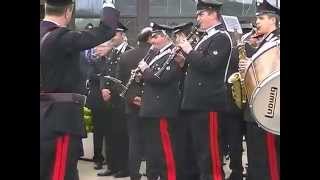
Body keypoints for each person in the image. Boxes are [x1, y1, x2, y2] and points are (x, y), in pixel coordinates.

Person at [40, 0, 120, 179]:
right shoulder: (59, 36)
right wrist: (108, 4)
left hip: (44, 116)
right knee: (60, 172)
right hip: (59, 118)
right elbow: (105, 30)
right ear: (68, 12)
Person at [176, 0, 234, 179]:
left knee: (209, 150)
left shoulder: (221, 37)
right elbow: (197, 68)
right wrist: (183, 60)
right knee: (196, 149)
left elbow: (210, 65)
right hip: (195, 102)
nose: (198, 18)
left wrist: (188, 50)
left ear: (213, 14)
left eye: (201, 14)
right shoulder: (205, 37)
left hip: (209, 102)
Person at [137, 22, 184, 180]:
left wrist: (145, 70)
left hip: (162, 107)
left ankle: (168, 176)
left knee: (165, 148)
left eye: (155, 37)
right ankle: (153, 175)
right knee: (153, 148)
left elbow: (161, 79)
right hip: (152, 108)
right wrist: (140, 75)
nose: (151, 41)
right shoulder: (156, 54)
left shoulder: (172, 53)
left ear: (164, 37)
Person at [238, 0, 280, 179]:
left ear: (274, 20)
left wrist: (251, 64)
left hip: (270, 107)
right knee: (256, 156)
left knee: (268, 158)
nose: (258, 22)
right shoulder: (263, 41)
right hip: (256, 108)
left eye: (262, 18)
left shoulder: (277, 41)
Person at [97, 22, 133, 177]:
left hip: (122, 100)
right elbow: (103, 73)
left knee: (122, 136)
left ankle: (124, 167)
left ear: (123, 35)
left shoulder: (130, 52)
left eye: (115, 34)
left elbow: (129, 77)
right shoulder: (111, 53)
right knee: (110, 134)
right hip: (109, 101)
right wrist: (103, 88)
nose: (112, 37)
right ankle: (112, 165)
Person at [118, 26, 153, 180]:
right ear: (149, 39)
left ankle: (134, 174)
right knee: (153, 141)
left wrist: (132, 97)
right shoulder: (155, 54)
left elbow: (120, 82)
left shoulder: (126, 56)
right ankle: (152, 173)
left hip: (131, 105)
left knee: (134, 142)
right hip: (152, 104)